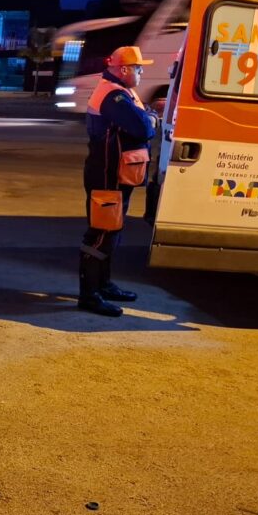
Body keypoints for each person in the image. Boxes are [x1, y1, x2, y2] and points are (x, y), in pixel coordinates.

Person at [79, 46, 157, 317]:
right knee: (101, 234)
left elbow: (143, 118)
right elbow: (144, 127)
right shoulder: (114, 96)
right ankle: (89, 295)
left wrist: (148, 117)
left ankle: (103, 285)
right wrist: (150, 119)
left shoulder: (120, 92)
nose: (141, 72)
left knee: (112, 231)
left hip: (115, 175)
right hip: (107, 177)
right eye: (138, 68)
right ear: (124, 69)